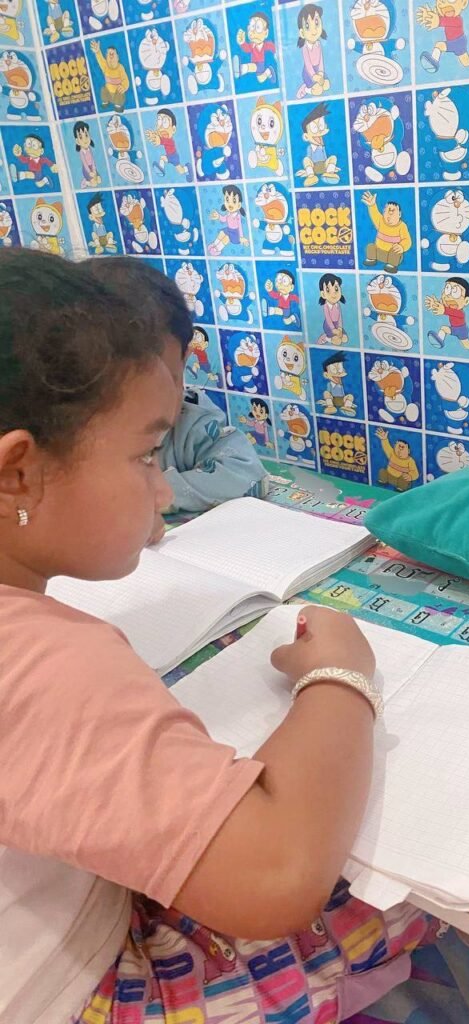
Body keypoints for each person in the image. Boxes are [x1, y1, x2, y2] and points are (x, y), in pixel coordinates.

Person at [0, 246, 428, 1024]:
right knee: (388, 899)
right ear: (17, 475)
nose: (163, 487)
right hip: (75, 989)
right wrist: (342, 675)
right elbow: (277, 878)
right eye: (143, 455)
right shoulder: (43, 660)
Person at [86, 257, 269, 537]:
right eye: (114, 392)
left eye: (166, 380)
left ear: (185, 360)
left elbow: (248, 474)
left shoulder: (190, 419)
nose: (144, 408)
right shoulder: (68, 431)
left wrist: (157, 493)